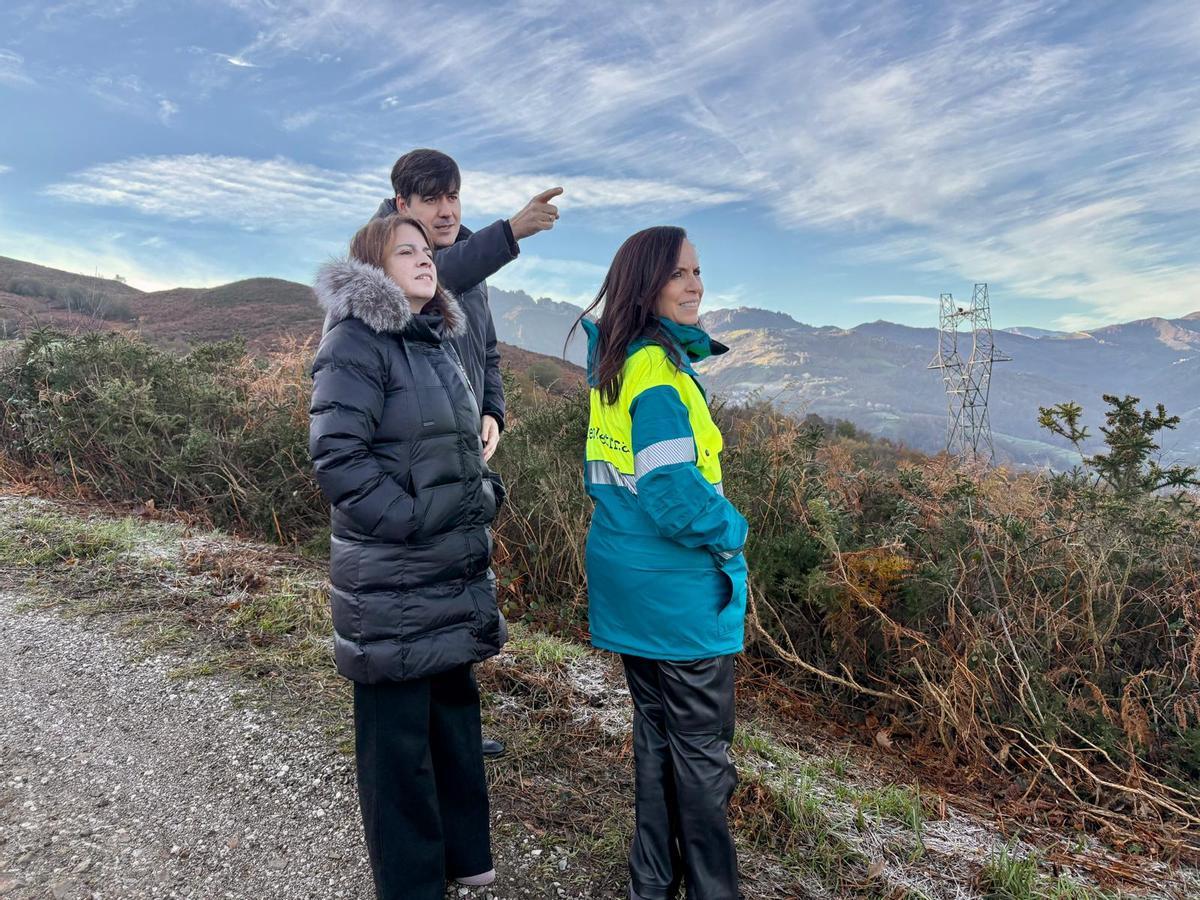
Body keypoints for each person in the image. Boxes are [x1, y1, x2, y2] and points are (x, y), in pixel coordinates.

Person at [309, 214, 505, 899]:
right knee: (396, 748)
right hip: (391, 578)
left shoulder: (436, 340)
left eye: (428, 250)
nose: (426, 258)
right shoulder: (357, 339)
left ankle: (461, 858)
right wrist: (416, 520)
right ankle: (412, 884)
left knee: (452, 720)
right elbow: (338, 457)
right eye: (407, 250)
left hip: (446, 571)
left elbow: (457, 451)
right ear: (371, 266)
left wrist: (484, 493)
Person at [570, 226, 749, 900]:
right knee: (701, 754)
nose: (695, 284)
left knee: (657, 738)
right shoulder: (656, 369)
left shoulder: (619, 359)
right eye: (679, 274)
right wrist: (733, 529)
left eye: (698, 271)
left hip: (629, 583)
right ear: (646, 283)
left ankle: (653, 883)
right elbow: (675, 494)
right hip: (675, 593)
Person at [375, 149, 561, 759]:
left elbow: (487, 353)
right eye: (432, 199)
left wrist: (493, 411)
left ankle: (453, 724)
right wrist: (510, 232)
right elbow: (439, 275)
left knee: (460, 578)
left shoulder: (466, 257)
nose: (448, 210)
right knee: (420, 587)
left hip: (464, 443)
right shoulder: (389, 257)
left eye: (454, 196)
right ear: (402, 205)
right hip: (414, 449)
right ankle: (416, 727)